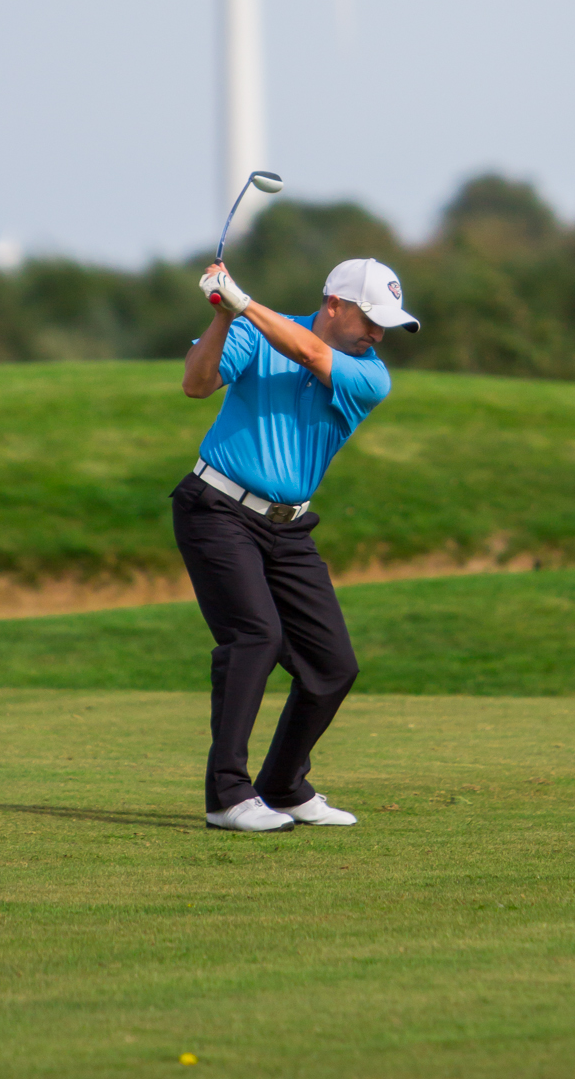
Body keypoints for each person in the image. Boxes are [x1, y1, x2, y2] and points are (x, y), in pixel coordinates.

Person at [174, 254, 420, 832]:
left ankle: (282, 785)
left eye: (386, 324)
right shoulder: (252, 331)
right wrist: (220, 317)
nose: (378, 334)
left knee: (332, 666)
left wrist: (242, 302)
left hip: (288, 527)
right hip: (216, 509)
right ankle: (227, 796)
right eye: (370, 318)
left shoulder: (370, 374)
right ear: (333, 304)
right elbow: (195, 384)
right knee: (255, 636)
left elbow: (309, 354)